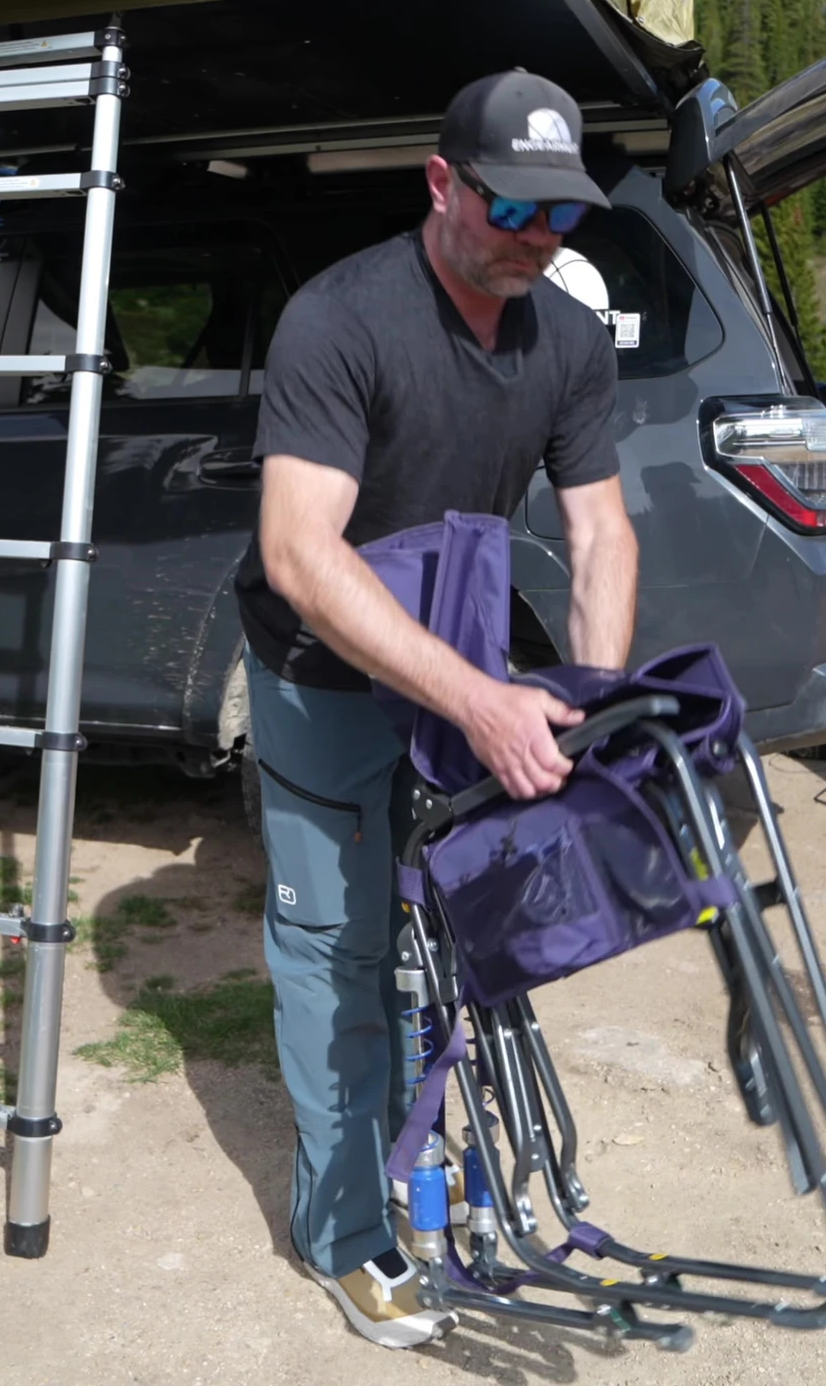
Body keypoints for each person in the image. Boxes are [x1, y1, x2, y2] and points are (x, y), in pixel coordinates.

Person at [232, 70, 640, 1348]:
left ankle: (431, 1158)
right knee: (337, 948)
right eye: (510, 204)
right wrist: (481, 701)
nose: (535, 236)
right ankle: (345, 1231)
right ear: (441, 180)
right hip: (317, 667)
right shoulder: (340, 318)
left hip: (456, 649)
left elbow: (600, 533)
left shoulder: (565, 339)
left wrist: (590, 707)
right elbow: (299, 549)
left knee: (453, 935)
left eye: (559, 214)